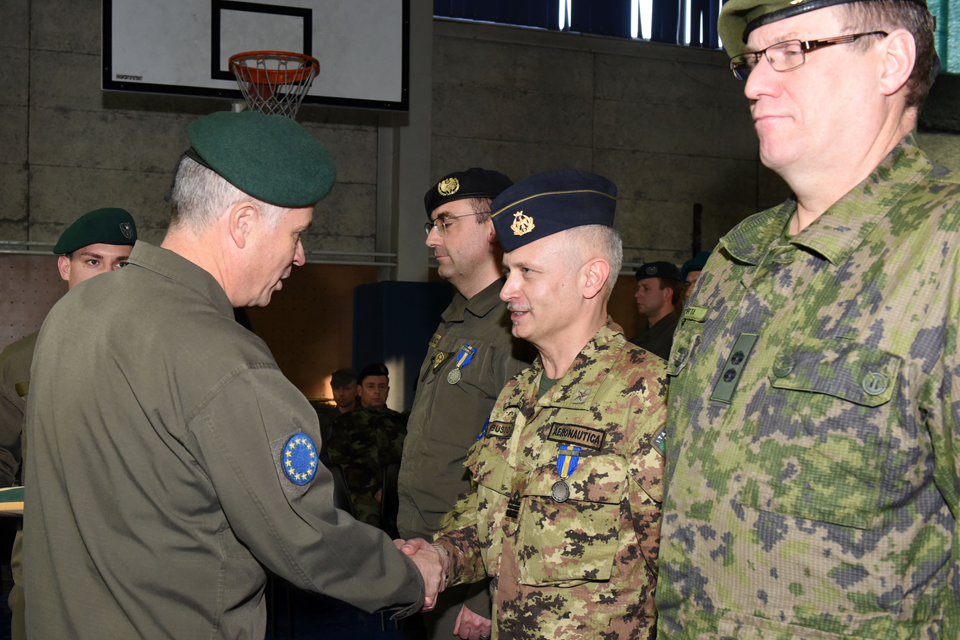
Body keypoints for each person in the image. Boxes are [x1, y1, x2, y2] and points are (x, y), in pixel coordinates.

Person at [22, 111, 444, 639]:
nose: (300, 257)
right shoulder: (223, 357)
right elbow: (304, 533)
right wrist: (409, 575)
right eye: (296, 234)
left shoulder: (75, 312)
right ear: (242, 223)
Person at [656, 0, 957, 637]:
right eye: (753, 61)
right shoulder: (740, 255)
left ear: (890, 61)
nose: (758, 84)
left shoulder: (946, 252)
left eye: (792, 51)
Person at [422, 170, 668, 639]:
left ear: (590, 278)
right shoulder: (519, 393)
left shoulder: (648, 395)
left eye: (526, 272)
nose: (508, 289)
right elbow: (491, 519)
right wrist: (440, 558)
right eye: (509, 269)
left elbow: (682, 570)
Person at [399, 168, 533, 640]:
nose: (432, 238)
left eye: (446, 221)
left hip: (471, 582)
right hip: (431, 560)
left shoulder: (515, 327)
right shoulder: (458, 319)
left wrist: (484, 596)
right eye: (431, 225)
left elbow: (523, 474)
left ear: (494, 226)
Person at [0, 206, 138, 640]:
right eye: (92, 261)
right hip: (46, 559)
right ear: (65, 266)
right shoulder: (21, 361)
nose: (107, 276)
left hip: (135, 562)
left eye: (122, 264)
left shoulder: (157, 356)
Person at [328, 362, 408, 526]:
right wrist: (375, 490)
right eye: (371, 386)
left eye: (382, 386)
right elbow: (340, 465)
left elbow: (412, 460)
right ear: (359, 390)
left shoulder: (402, 422)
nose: (377, 391)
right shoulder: (344, 423)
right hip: (362, 493)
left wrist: (394, 489)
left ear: (388, 390)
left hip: (401, 490)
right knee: (369, 521)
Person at [628, 261, 682, 360]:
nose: (637, 294)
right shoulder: (637, 340)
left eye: (646, 289)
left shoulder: (679, 338)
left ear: (667, 294)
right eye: (638, 288)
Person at [313, 367, 358, 459]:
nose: (341, 393)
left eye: (347, 388)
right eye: (337, 389)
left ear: (357, 390)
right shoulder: (324, 422)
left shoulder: (367, 418)